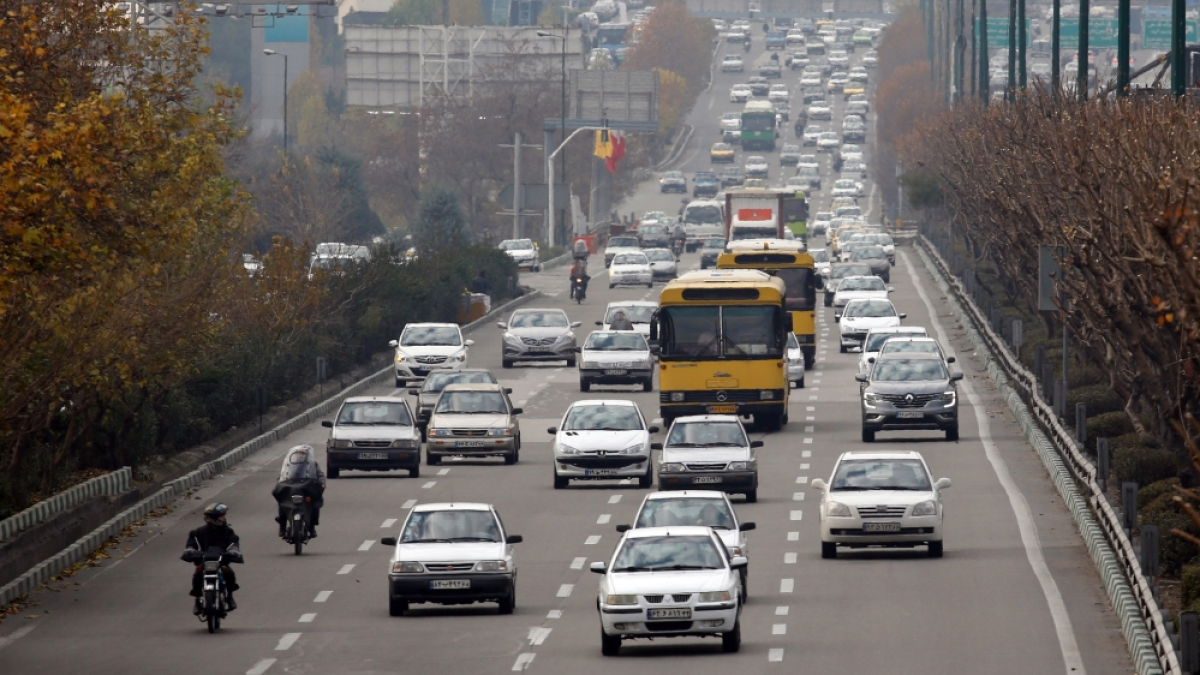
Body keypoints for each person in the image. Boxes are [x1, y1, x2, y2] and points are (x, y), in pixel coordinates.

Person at [184, 503, 241, 611]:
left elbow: (233, 543)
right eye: (221, 516)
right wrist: (191, 552)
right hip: (204, 562)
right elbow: (191, 544)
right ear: (213, 519)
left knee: (229, 573)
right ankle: (197, 600)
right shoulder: (198, 532)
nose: (224, 518)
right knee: (197, 575)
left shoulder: (228, 532)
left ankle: (229, 596)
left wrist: (233, 551)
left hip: (221, 562)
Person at [272, 445, 326, 538]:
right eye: (299, 453)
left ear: (307, 455)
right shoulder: (289, 464)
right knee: (283, 503)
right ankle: (282, 527)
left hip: (306, 488)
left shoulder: (313, 464)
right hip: (292, 488)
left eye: (303, 453)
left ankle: (312, 528)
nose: (301, 455)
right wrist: (280, 482)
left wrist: (321, 482)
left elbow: (320, 475)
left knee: (314, 504)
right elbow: (282, 475)